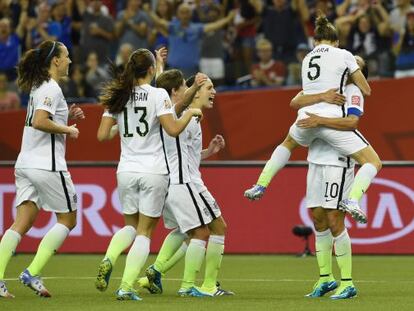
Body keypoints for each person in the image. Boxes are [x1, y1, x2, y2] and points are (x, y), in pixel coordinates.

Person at [244, 15, 381, 225]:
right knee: (373, 162)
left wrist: (320, 95)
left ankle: (261, 183)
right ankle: (353, 200)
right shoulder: (344, 56)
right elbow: (367, 89)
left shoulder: (307, 58)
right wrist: (345, 79)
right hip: (328, 120)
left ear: (315, 41)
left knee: (287, 143)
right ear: (336, 42)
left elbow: (296, 100)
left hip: (305, 118)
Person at [95, 48, 203, 301]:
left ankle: (109, 257)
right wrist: (190, 113)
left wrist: (123, 130)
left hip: (126, 170)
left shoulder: (119, 96)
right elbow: (173, 129)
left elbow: (101, 135)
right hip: (153, 171)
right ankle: (126, 287)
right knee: (145, 233)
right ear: (152, 69)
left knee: (130, 227)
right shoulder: (158, 95)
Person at [0, 40, 85, 298]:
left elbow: (42, 119)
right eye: (67, 56)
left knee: (21, 223)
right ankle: (33, 271)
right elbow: (40, 122)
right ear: (56, 60)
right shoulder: (51, 87)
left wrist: (64, 118)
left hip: (25, 163)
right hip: (46, 165)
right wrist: (67, 128)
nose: (70, 61)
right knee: (68, 219)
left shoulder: (40, 87)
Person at [138, 73, 232, 297]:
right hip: (183, 182)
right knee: (212, 229)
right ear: (195, 91)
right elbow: (173, 104)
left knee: (188, 231)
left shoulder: (193, 118)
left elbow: (184, 154)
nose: (214, 92)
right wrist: (159, 70)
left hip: (182, 180)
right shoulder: (179, 113)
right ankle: (196, 286)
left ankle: (158, 271)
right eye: (209, 87)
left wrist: (208, 152)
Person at [291, 56, 369, 300]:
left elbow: (352, 122)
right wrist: (319, 97)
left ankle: (347, 283)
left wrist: (319, 120)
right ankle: (325, 278)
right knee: (318, 217)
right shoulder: (321, 86)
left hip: (338, 159)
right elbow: (294, 101)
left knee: (335, 218)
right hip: (316, 158)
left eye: (355, 63)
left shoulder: (354, 91)